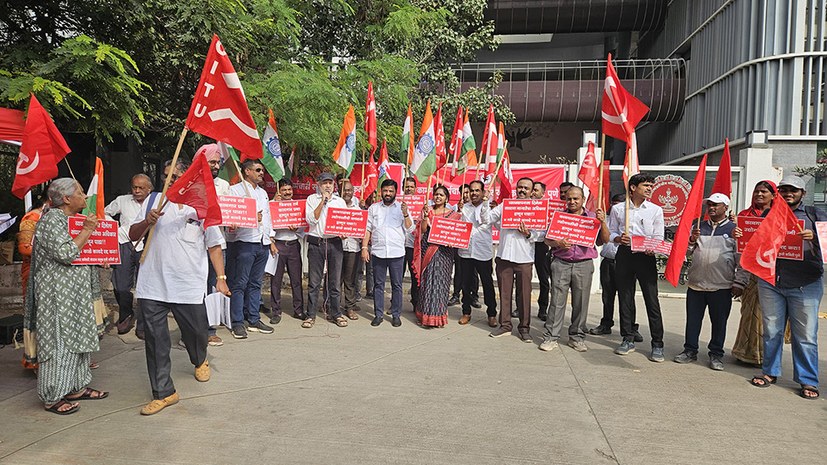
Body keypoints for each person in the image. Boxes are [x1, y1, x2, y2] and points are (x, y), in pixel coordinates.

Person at [129, 172, 230, 415]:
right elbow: (133, 235)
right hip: (153, 284)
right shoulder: (154, 201)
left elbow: (214, 245)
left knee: (196, 331)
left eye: (175, 175)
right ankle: (164, 392)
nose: (171, 180)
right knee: (155, 340)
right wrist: (147, 222)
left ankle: (199, 358)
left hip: (187, 285)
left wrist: (221, 278)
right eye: (166, 176)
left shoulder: (202, 207)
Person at [25, 178, 107, 415]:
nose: (85, 196)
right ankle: (52, 396)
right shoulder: (51, 220)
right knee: (59, 343)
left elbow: (83, 250)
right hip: (57, 296)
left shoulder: (73, 220)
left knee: (79, 340)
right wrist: (88, 230)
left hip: (76, 294)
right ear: (67, 199)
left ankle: (76, 387)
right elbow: (66, 252)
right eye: (81, 192)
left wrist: (101, 253)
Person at [750, 175, 825, 400]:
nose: (788, 194)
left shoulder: (815, 215)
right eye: (784, 190)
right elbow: (754, 244)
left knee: (806, 336)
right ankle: (770, 372)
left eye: (793, 190)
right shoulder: (767, 215)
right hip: (771, 281)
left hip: (806, 283)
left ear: (803, 193)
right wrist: (741, 237)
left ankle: (807, 380)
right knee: (772, 331)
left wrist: (814, 239)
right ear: (778, 193)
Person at [673, 194, 745, 370]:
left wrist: (740, 282)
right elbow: (687, 252)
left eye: (716, 205)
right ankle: (690, 350)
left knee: (719, 322)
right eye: (709, 205)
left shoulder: (734, 230)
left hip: (721, 285)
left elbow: (742, 259)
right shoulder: (698, 227)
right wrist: (691, 240)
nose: (711, 208)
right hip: (696, 284)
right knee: (693, 320)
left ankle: (716, 354)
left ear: (725, 208)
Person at [539, 186, 609, 352]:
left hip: (583, 264)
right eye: (569, 198)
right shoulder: (559, 217)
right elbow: (547, 239)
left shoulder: (593, 217)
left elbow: (603, 240)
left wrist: (603, 222)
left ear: (583, 200)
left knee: (581, 302)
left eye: (576, 199)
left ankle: (576, 337)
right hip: (561, 262)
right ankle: (551, 336)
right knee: (556, 302)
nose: (572, 202)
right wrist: (558, 243)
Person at [608, 173, 666, 362]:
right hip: (625, 254)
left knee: (652, 299)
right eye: (646, 185)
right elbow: (611, 232)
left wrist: (653, 248)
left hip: (645, 257)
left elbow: (659, 236)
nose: (649, 189)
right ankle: (628, 338)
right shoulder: (618, 209)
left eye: (651, 185)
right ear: (633, 188)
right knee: (625, 297)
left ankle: (657, 343)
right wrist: (617, 238)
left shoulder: (656, 210)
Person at [226, 159, 276, 339]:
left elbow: (268, 217)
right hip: (244, 242)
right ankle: (237, 322)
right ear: (247, 171)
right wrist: (250, 216)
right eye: (258, 170)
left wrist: (270, 239)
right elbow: (231, 218)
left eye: (262, 170)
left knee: (256, 283)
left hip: (262, 243)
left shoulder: (263, 193)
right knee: (239, 283)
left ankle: (253, 318)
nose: (262, 173)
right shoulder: (235, 191)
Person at [489, 177, 544, 342]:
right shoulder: (506, 205)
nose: (522, 190)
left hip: (524, 258)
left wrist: (529, 233)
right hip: (504, 256)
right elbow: (488, 219)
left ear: (532, 191)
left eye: (526, 188)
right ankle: (505, 325)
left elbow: (542, 235)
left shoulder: (537, 209)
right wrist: (485, 204)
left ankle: (524, 328)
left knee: (524, 295)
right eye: (520, 187)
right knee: (505, 294)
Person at [730, 180, 776, 365]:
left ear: (773, 195)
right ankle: (744, 352)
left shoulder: (779, 216)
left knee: (769, 316)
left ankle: (767, 356)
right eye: (757, 191)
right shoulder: (745, 216)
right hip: (751, 273)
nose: (759, 195)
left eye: (764, 192)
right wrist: (737, 236)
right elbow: (739, 250)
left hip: (772, 273)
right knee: (749, 313)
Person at [104, 173, 153, 335]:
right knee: (121, 285)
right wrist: (115, 228)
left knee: (146, 286)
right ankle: (126, 314)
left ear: (149, 189)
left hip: (147, 245)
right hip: (124, 242)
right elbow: (104, 213)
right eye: (134, 187)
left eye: (141, 188)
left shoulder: (155, 201)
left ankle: (144, 323)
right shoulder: (122, 200)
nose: (137, 191)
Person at [590, 194, 643, 342]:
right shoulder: (603, 219)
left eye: (618, 204)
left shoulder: (632, 220)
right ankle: (606, 323)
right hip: (609, 261)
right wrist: (602, 224)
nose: (615, 207)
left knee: (627, 297)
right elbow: (601, 242)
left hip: (627, 263)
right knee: (607, 296)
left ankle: (632, 327)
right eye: (613, 204)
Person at [363, 179, 413, 327]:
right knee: (378, 285)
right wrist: (364, 248)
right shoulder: (374, 208)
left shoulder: (402, 208)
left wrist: (405, 214)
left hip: (397, 253)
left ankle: (396, 314)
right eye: (385, 191)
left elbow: (410, 229)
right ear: (381, 191)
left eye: (391, 191)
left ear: (395, 192)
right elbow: (368, 229)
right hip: (378, 252)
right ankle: (378, 314)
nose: (388, 193)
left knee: (397, 285)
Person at [304, 172, 349, 328]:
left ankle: (335, 313)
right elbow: (311, 219)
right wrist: (323, 201)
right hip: (317, 243)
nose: (328, 186)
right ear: (319, 184)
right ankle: (310, 315)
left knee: (334, 282)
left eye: (330, 183)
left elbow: (344, 223)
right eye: (325, 183)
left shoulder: (340, 202)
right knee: (314, 282)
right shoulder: (311, 199)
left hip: (335, 243)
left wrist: (344, 233)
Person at [416, 185, 458, 327]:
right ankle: (424, 316)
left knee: (441, 284)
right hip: (428, 249)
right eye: (436, 194)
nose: (438, 197)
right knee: (427, 282)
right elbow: (422, 230)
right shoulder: (428, 211)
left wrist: (453, 241)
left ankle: (438, 317)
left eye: (441, 195)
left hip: (444, 253)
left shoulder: (452, 214)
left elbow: (455, 234)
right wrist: (426, 217)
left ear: (447, 198)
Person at [457, 180, 497, 326]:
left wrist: (486, 203)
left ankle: (492, 313)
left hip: (483, 252)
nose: (474, 193)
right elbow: (459, 227)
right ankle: (466, 312)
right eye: (471, 190)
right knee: (465, 284)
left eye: (477, 190)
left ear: (482, 192)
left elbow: (486, 220)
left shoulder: (489, 206)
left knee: (487, 284)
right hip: (466, 251)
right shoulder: (464, 207)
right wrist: (459, 212)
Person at [201, 144, 230, 345]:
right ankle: (192, 331)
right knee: (196, 288)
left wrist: (234, 221)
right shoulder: (193, 183)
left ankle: (210, 329)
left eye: (218, 162)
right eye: (211, 161)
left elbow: (230, 211)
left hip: (217, 242)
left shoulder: (224, 185)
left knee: (214, 286)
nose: (216, 165)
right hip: (193, 244)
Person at [269, 179, 305, 324]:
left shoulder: (297, 207)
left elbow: (303, 225)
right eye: (284, 190)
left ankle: (299, 310)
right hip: (278, 244)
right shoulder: (273, 206)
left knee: (296, 280)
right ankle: (276, 312)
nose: (287, 192)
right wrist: (271, 241)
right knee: (276, 280)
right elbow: (267, 224)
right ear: (279, 191)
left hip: (293, 244)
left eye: (289, 190)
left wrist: (297, 229)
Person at [339, 179, 361, 320]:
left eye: (349, 190)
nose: (347, 192)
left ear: (353, 192)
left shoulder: (357, 209)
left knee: (350, 280)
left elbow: (362, 230)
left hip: (352, 247)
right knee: (333, 279)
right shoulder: (334, 206)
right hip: (336, 247)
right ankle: (330, 305)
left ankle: (350, 307)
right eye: (344, 189)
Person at [532, 181, 551, 321]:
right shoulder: (522, 206)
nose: (533, 192)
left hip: (542, 245)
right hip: (526, 243)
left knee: (544, 279)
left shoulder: (550, 208)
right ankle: (519, 307)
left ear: (543, 193)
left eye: (537, 190)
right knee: (522, 278)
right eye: (532, 189)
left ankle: (543, 308)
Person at [401, 177, 421, 309]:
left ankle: (416, 303)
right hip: (399, 245)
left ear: (415, 189)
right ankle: (394, 303)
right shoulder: (397, 203)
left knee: (415, 277)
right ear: (403, 188)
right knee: (397, 277)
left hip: (414, 246)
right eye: (406, 186)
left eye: (411, 186)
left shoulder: (421, 204)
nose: (408, 189)